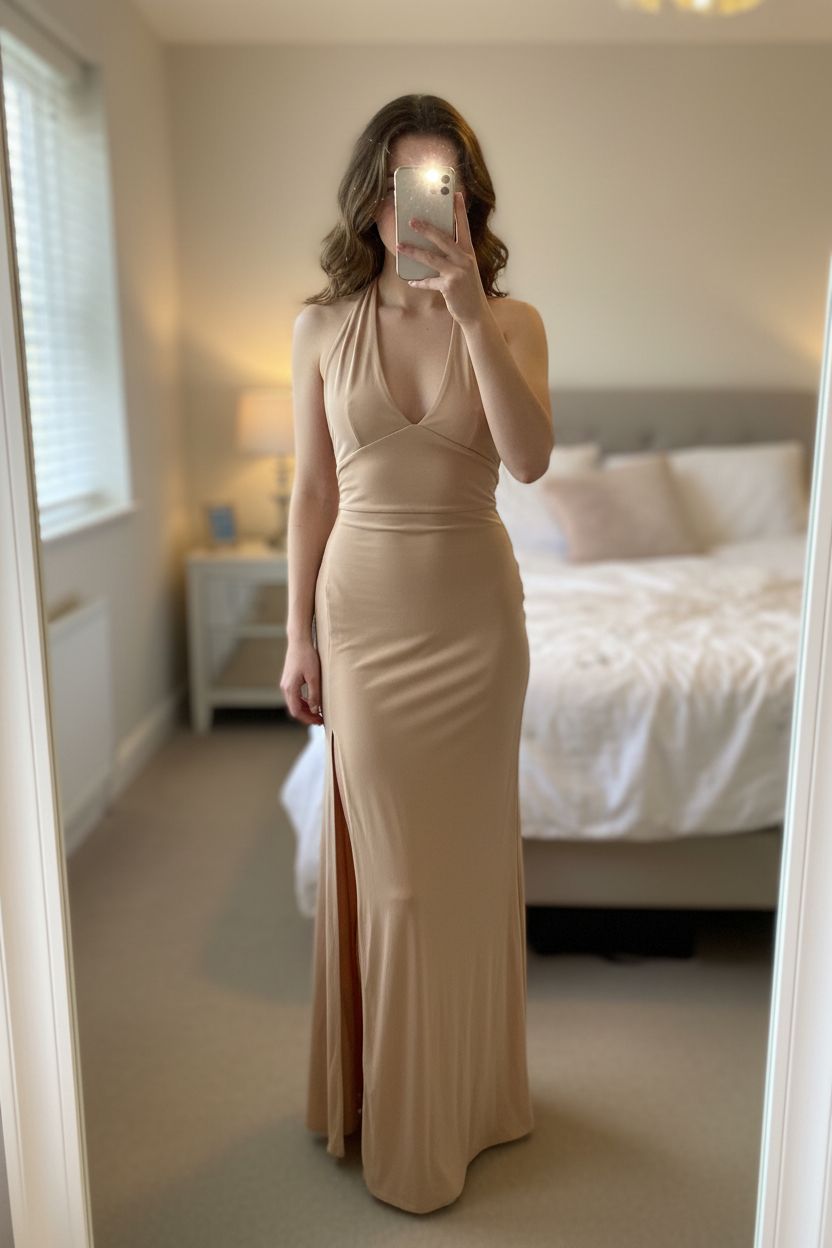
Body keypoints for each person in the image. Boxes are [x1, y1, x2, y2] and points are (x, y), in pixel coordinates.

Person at [281, 92, 553, 1214]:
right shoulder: (318, 328)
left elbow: (528, 461)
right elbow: (312, 492)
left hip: (475, 629)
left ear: (468, 200)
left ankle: (472, 1104)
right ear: (374, 200)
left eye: (443, 184)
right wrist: (294, 634)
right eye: (403, 187)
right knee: (395, 886)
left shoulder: (514, 320)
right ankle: (401, 1125)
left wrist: (471, 315)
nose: (419, 210)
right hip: (363, 623)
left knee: (466, 876)